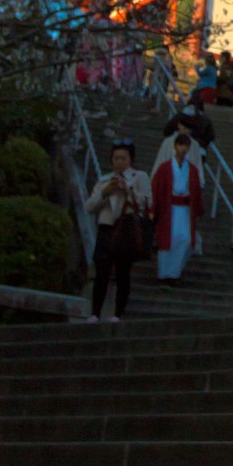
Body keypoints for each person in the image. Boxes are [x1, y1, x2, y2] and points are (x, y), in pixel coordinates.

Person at [83, 139, 152, 324]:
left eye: (123, 158)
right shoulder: (104, 180)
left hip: (126, 227)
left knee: (123, 272)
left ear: (130, 159)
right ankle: (95, 313)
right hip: (106, 227)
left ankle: (117, 314)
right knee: (101, 272)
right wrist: (106, 192)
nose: (119, 162)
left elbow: (147, 203)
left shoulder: (140, 176)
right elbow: (89, 206)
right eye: (116, 158)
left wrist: (127, 190)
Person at [150, 131, 203, 286]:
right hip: (169, 209)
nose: (183, 148)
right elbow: (156, 188)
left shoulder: (192, 170)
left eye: (186, 145)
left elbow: (196, 191)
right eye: (181, 145)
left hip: (185, 209)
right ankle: (164, 273)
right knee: (168, 241)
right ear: (175, 146)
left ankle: (175, 273)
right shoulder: (165, 168)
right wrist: (153, 208)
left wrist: (198, 210)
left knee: (185, 240)